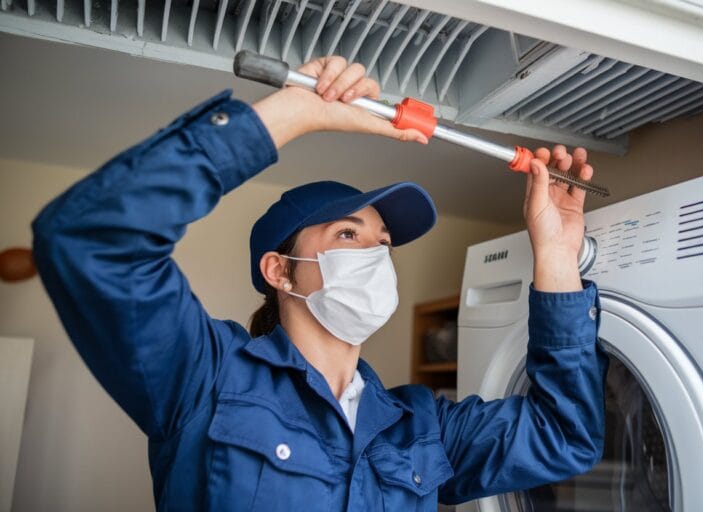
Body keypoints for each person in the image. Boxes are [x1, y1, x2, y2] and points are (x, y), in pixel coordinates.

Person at [32, 56, 608, 510]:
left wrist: (555, 255)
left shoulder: (422, 427)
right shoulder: (205, 378)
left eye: (384, 244)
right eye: (349, 236)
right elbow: (89, 239)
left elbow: (566, 434)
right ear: (280, 271)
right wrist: (294, 114)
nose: (379, 257)